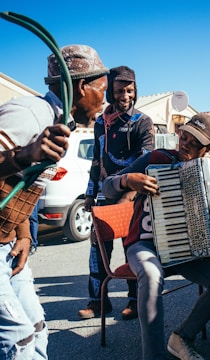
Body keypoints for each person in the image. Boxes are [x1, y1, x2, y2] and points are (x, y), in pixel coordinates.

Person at [0, 43, 109, 359]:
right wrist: (25, 154)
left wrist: (23, 234)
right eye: (101, 89)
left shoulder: (59, 122)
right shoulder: (30, 114)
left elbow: (20, 186)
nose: (105, 100)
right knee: (17, 341)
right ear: (82, 87)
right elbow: (18, 163)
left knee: (35, 329)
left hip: (9, 247)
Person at [102, 114, 210, 360]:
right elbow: (107, 186)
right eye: (183, 135)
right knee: (152, 274)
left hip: (185, 251)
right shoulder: (157, 159)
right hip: (144, 244)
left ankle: (182, 337)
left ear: (209, 149)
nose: (184, 143)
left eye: (194, 141)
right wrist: (127, 180)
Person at [78, 66, 155, 321]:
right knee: (98, 249)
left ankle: (134, 301)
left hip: (132, 197)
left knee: (132, 248)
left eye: (130, 90)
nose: (126, 95)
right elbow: (97, 160)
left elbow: (147, 162)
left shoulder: (142, 122)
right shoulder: (101, 122)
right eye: (120, 90)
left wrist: (128, 196)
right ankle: (98, 301)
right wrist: (90, 193)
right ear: (111, 91)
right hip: (104, 194)